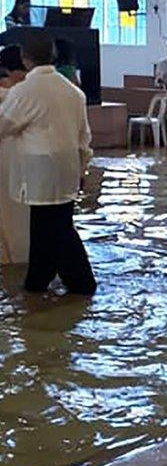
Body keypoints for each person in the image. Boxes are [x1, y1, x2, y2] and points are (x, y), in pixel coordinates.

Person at [0, 31, 95, 294]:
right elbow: (83, 136)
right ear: (53, 55)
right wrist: (83, 166)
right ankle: (37, 281)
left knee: (55, 227)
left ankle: (82, 282)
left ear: (24, 58)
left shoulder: (24, 90)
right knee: (49, 224)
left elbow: (4, 124)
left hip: (38, 170)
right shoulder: (73, 92)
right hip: (68, 166)